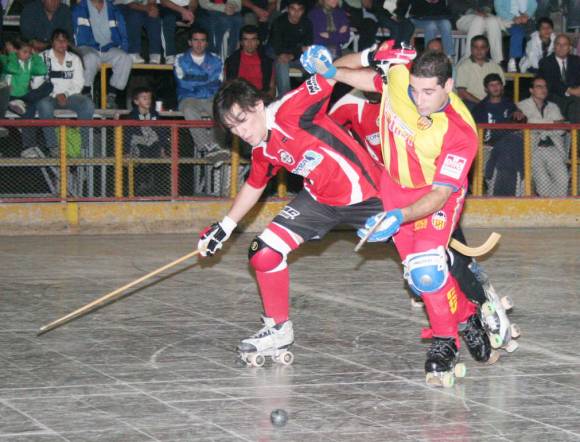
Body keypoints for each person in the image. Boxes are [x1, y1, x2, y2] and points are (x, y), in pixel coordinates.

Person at [302, 42, 496, 385]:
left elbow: (440, 195)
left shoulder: (461, 131)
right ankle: (467, 316)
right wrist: (330, 70)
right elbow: (368, 79)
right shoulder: (399, 75)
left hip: (436, 197)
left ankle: (445, 342)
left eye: (428, 92)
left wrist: (399, 217)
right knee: (421, 280)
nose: (419, 100)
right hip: (394, 187)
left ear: (449, 86)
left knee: (426, 270)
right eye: (414, 91)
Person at [199, 74, 385, 367]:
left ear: (258, 105)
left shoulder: (290, 110)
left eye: (242, 121)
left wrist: (368, 58)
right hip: (320, 201)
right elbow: (255, 184)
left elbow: (328, 73)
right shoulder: (262, 148)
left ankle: (460, 313)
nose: (241, 133)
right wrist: (225, 226)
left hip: (368, 194)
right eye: (232, 128)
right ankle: (278, 328)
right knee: (264, 252)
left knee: (423, 262)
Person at [37, 29, 95, 157]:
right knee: (44, 105)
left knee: (87, 105)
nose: (61, 43)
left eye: (64, 40)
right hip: (49, 96)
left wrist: (65, 94)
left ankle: (83, 146)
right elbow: (36, 84)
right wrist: (56, 94)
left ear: (68, 42)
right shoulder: (42, 58)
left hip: (70, 96)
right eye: (58, 40)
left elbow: (79, 83)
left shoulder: (74, 59)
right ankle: (53, 147)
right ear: (52, 42)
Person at [472, 73, 527, 196]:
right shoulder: (479, 108)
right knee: (495, 171)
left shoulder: (509, 104)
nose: (495, 87)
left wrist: (519, 114)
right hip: (487, 146)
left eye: (498, 84)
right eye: (491, 85)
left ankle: (511, 195)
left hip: (506, 147)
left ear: (502, 86)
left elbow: (519, 122)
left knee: (511, 153)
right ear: (486, 89)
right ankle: (497, 196)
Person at [72, 0, 132, 109]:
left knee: (125, 58)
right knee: (90, 58)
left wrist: (124, 48)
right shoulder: (79, 8)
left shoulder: (113, 9)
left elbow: (123, 32)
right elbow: (73, 32)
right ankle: (86, 92)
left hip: (108, 47)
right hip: (87, 46)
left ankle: (111, 96)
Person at [517, 76, 568, 196]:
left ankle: (556, 205)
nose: (543, 89)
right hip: (533, 149)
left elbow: (561, 130)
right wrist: (552, 124)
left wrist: (538, 126)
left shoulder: (553, 106)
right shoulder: (521, 106)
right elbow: (529, 124)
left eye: (545, 87)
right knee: (543, 183)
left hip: (553, 148)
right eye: (539, 86)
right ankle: (548, 205)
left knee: (563, 178)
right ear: (531, 90)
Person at [174, 26, 223, 150]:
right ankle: (206, 147)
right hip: (188, 98)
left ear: (207, 43)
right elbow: (183, 83)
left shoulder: (216, 59)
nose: (199, 44)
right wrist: (206, 79)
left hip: (211, 98)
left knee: (221, 111)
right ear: (189, 42)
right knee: (188, 109)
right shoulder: (180, 59)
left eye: (202, 40)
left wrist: (193, 78)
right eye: (195, 40)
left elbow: (218, 82)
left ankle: (216, 146)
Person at [268, 0, 313, 96]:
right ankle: (285, 98)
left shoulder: (307, 23)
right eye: (293, 9)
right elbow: (278, 48)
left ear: (303, 11)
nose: (296, 13)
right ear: (288, 9)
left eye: (299, 9)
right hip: (280, 56)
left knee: (315, 63)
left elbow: (308, 46)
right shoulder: (278, 22)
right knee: (282, 62)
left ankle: (311, 99)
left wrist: (293, 54)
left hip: (298, 57)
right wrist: (299, 50)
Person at [538, 34, 580, 123]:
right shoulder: (545, 62)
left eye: (565, 44)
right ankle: (575, 131)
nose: (561, 47)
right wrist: (571, 91)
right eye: (558, 44)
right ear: (554, 47)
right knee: (576, 103)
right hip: (554, 98)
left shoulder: (576, 61)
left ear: (569, 48)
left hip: (574, 96)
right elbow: (552, 83)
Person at [456, 35, 505, 110]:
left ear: (487, 49)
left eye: (482, 47)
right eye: (475, 47)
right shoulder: (463, 67)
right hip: (472, 103)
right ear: (471, 49)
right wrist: (482, 104)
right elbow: (461, 92)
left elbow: (502, 89)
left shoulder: (495, 67)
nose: (479, 50)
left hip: (492, 101)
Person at [225, 25, 274, 97]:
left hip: (260, 96)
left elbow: (272, 88)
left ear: (258, 42)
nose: (250, 43)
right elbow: (227, 87)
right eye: (246, 39)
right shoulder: (231, 61)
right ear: (241, 42)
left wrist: (265, 100)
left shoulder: (266, 61)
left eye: (253, 39)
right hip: (239, 97)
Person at [493, 0, 538, 72]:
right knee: (518, 32)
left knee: (534, 35)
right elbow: (498, 8)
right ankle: (514, 59)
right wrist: (513, 18)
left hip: (525, 19)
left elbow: (533, 4)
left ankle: (527, 60)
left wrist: (527, 15)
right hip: (507, 19)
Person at [159, 0, 196, 65]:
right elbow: (163, 1)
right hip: (167, 7)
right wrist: (183, 11)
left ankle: (199, 55)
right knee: (168, 18)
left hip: (187, 8)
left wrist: (190, 12)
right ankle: (170, 55)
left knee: (202, 20)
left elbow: (194, 1)